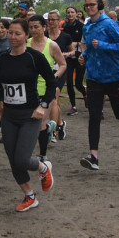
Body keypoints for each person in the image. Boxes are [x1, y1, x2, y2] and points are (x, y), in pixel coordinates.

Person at [0, 18, 56, 211]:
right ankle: (29, 196)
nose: (12, 36)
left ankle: (43, 167)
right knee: (13, 160)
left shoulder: (34, 57)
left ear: (26, 35)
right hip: (9, 115)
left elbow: (51, 83)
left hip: (30, 115)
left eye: (17, 33)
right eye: (10, 32)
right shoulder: (2, 57)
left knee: (22, 159)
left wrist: (43, 105)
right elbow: (1, 84)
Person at [77, 0, 119, 171]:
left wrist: (104, 45)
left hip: (113, 76)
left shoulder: (109, 24)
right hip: (93, 77)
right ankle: (94, 157)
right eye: (86, 6)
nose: (89, 8)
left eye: (92, 5)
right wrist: (83, 56)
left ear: (100, 7)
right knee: (94, 115)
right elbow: (90, 49)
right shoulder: (87, 27)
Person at [27, 14, 66, 164]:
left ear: (44, 27)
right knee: (31, 121)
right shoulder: (27, 43)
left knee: (41, 121)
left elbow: (63, 64)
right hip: (29, 89)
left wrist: (54, 77)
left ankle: (43, 155)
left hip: (46, 89)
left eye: (36, 27)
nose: (33, 30)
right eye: (30, 27)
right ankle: (50, 128)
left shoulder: (52, 45)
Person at [45, 10, 72, 140]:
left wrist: (68, 54)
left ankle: (53, 131)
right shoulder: (44, 35)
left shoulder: (65, 36)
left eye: (53, 19)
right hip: (46, 72)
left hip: (60, 71)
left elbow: (72, 50)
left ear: (58, 21)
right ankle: (60, 123)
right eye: (49, 19)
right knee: (54, 101)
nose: (51, 22)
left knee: (53, 97)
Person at [61, 6, 85, 114]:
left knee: (79, 83)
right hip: (69, 57)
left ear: (76, 14)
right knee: (69, 82)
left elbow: (86, 41)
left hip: (80, 56)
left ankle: (85, 95)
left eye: (72, 12)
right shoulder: (64, 27)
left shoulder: (81, 26)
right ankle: (73, 106)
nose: (70, 14)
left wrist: (77, 43)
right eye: (68, 12)